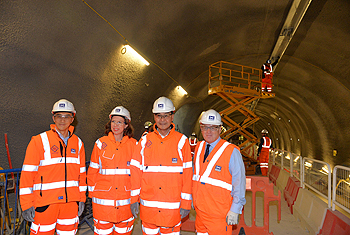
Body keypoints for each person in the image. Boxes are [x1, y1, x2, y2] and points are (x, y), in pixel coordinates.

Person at [19, 99, 86, 235]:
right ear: (53, 118)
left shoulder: (78, 143)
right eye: (58, 116)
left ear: (72, 118)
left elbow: (82, 175)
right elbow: (27, 174)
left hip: (71, 204)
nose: (62, 120)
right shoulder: (39, 141)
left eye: (66, 116)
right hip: (45, 204)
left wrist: (82, 199)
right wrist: (26, 204)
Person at [130, 96, 192, 235]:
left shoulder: (182, 142)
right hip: (149, 210)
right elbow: (135, 171)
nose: (162, 120)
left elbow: (188, 176)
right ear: (154, 117)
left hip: (172, 212)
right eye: (159, 116)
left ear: (172, 116)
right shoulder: (145, 141)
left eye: (166, 116)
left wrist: (186, 203)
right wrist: (134, 199)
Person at [192, 109, 246, 234]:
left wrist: (235, 209)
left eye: (213, 128)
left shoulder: (231, 152)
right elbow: (195, 176)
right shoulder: (199, 147)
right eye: (205, 127)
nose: (208, 131)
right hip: (200, 213)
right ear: (201, 128)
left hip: (220, 215)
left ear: (220, 129)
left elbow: (239, 182)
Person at [87, 106, 137, 234]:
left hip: (125, 206)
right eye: (113, 121)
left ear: (126, 125)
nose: (115, 125)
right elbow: (92, 172)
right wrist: (92, 196)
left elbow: (138, 175)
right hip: (102, 207)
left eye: (120, 122)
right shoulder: (100, 144)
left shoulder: (134, 145)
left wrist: (136, 199)